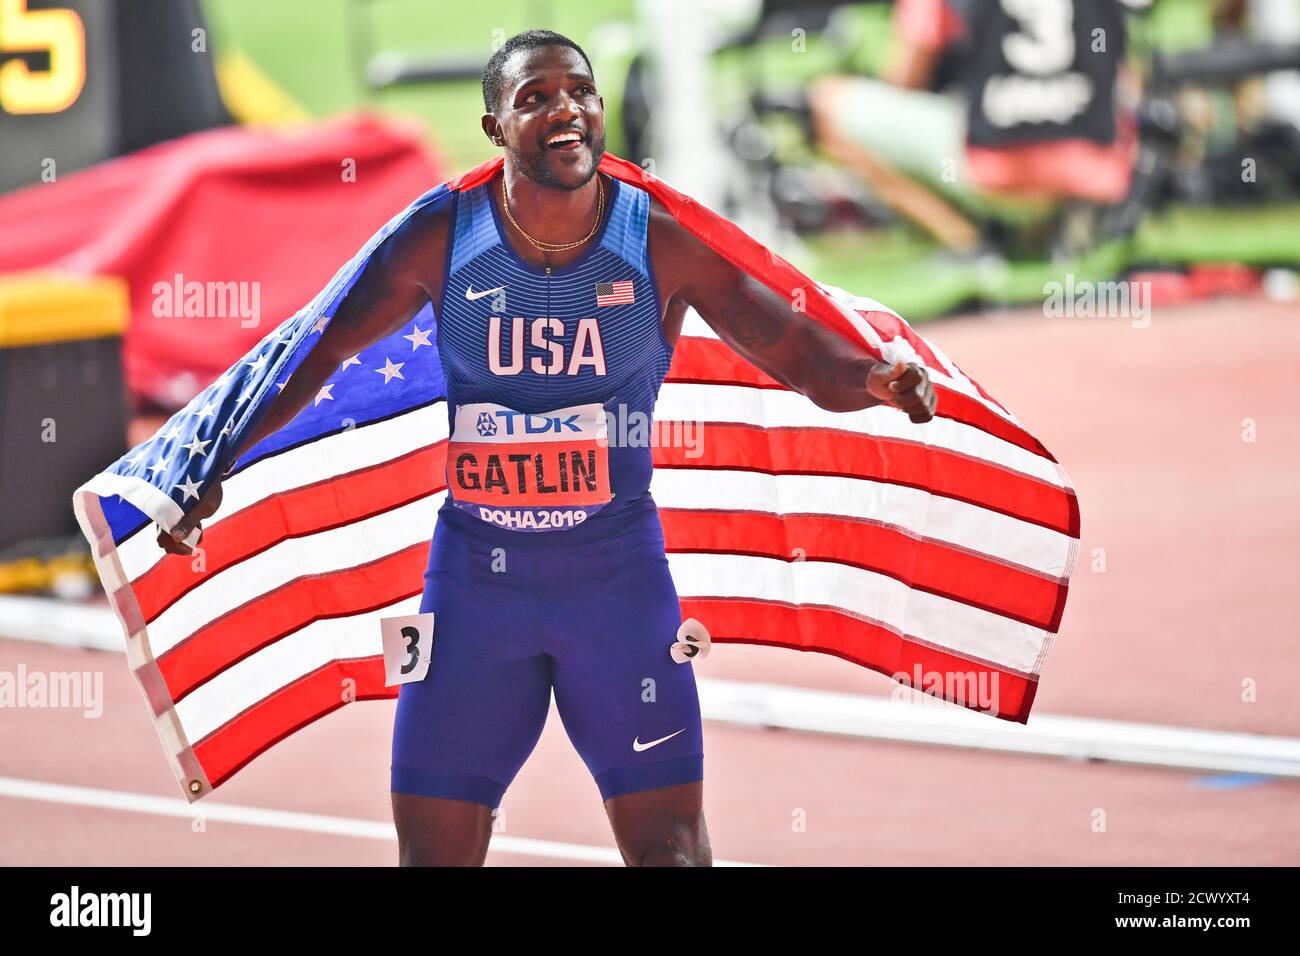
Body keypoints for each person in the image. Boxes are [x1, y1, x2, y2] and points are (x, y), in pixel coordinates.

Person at [154, 30, 936, 867]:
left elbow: (800, 356)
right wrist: (218, 457)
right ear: (494, 127)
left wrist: (875, 380)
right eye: (535, 97)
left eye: (579, 92)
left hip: (618, 588)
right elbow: (318, 350)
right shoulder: (442, 237)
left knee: (669, 850)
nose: (565, 109)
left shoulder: (659, 237)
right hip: (471, 591)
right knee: (432, 857)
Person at [810, 0, 1140, 251]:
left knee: (826, 101)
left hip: (998, 173)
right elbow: (1127, 71)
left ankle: (962, 241)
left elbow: (904, 80)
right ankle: (1047, 231)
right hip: (1095, 171)